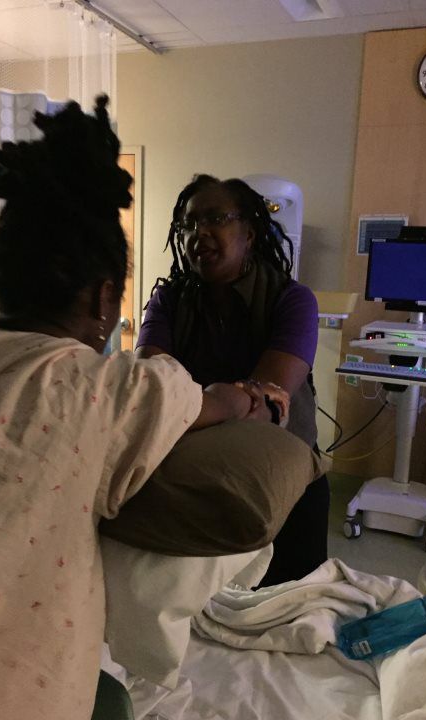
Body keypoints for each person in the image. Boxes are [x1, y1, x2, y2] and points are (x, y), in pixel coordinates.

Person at [0, 100, 283, 720]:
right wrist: (250, 399)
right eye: (195, 221)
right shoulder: (104, 386)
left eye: (216, 221)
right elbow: (212, 396)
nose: (202, 234)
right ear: (108, 298)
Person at [136, 174, 329, 585]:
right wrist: (223, 400)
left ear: (250, 232)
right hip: (199, 479)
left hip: (285, 477)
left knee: (290, 598)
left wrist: (197, 404)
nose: (198, 233)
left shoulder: (292, 300)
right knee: (203, 608)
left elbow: (265, 402)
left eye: (215, 219)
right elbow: (153, 389)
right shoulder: (167, 302)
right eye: (187, 224)